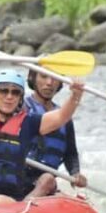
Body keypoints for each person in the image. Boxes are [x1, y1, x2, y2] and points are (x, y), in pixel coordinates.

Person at [0, 52, 85, 210]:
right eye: (3, 91)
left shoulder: (29, 122)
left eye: (15, 92)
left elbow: (62, 117)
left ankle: (24, 207)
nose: (9, 96)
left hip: (10, 194)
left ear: (20, 98)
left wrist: (76, 95)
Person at [22, 69, 88, 198]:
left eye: (54, 78)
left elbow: (70, 153)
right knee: (48, 179)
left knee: (48, 180)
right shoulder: (21, 107)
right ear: (32, 78)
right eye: (44, 76)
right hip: (19, 175)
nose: (49, 83)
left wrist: (75, 173)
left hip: (46, 182)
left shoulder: (65, 116)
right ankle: (20, 209)